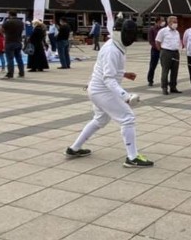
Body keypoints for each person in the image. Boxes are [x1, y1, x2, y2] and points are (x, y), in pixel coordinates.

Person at [65, 17, 154, 167]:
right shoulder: (112, 49)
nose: (131, 38)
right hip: (102, 91)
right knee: (127, 118)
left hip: (97, 89)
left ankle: (74, 148)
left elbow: (105, 68)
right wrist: (126, 96)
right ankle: (132, 158)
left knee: (100, 120)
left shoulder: (115, 45)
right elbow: (108, 79)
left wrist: (123, 73)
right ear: (120, 32)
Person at [155, 16, 181, 95]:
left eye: (176, 22)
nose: (175, 24)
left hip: (175, 52)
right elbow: (157, 42)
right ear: (169, 22)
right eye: (174, 22)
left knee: (174, 71)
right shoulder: (163, 31)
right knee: (165, 71)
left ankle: (173, 87)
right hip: (166, 52)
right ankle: (164, 87)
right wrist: (162, 50)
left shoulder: (177, 32)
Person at [2, 11, 25, 79]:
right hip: (18, 42)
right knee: (19, 58)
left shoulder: (8, 22)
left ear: (10, 15)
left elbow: (1, 30)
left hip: (9, 42)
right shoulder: (21, 22)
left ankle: (10, 74)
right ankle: (21, 72)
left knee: (10, 59)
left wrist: (6, 32)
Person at [147, 16, 166, 87]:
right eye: (162, 20)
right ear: (158, 21)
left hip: (163, 49)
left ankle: (164, 80)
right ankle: (150, 80)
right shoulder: (152, 29)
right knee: (152, 65)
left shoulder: (164, 29)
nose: (163, 22)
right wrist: (157, 47)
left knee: (164, 66)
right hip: (155, 50)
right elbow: (151, 40)